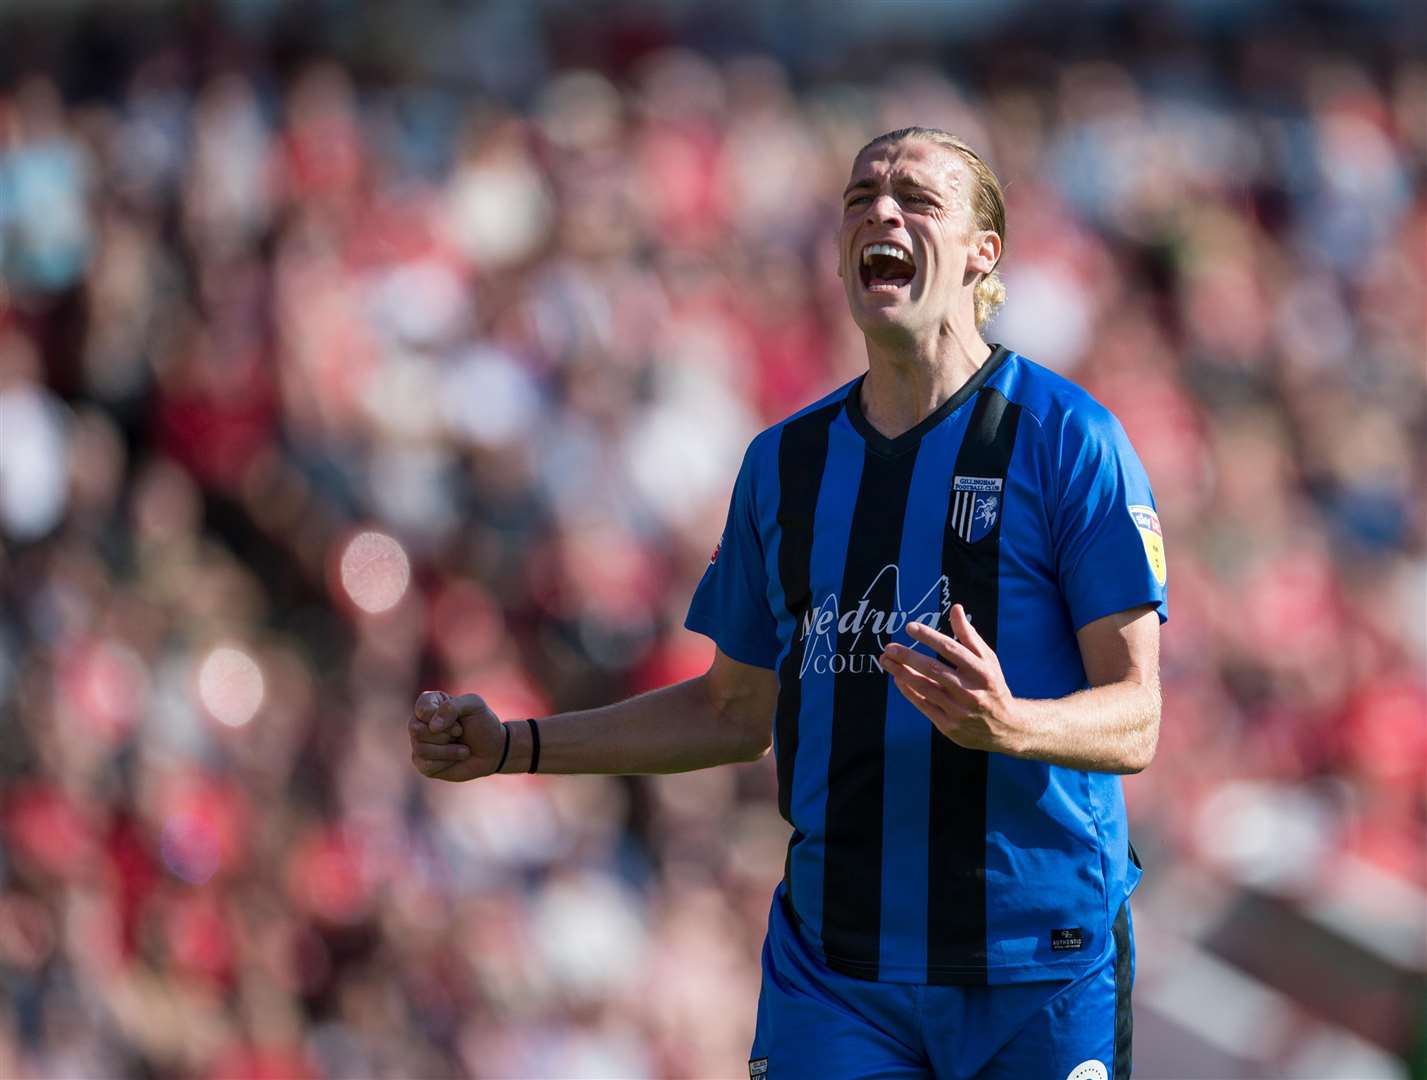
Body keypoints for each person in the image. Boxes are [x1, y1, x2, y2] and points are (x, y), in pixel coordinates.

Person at [409, 126, 1166, 1080]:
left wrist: (1009, 723)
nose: (880, 212)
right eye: (860, 198)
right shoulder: (785, 466)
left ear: (984, 253)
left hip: (1037, 970)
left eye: (917, 199)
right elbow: (730, 712)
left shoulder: (1069, 440)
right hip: (837, 973)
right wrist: (513, 746)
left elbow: (1135, 716)